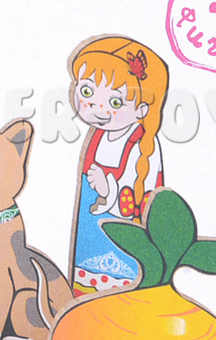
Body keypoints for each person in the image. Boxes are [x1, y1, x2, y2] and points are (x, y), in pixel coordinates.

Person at [68, 36, 168, 296]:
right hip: (89, 237)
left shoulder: (143, 145)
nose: (96, 107)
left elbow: (141, 204)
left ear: (142, 109)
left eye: (115, 102)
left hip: (125, 246)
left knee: (119, 298)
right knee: (84, 292)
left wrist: (107, 190)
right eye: (87, 92)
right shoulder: (97, 136)